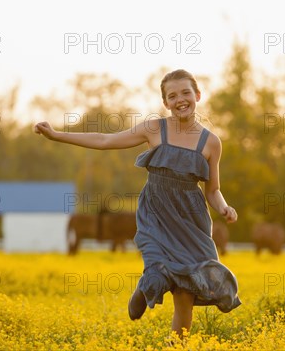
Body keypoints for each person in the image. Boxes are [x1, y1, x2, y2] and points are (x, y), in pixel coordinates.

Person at [34, 69, 241, 337]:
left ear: (198, 95)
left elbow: (213, 190)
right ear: (165, 102)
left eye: (186, 93)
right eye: (172, 95)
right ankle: (148, 285)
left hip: (192, 222)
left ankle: (175, 346)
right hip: (156, 214)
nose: (180, 99)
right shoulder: (154, 128)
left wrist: (224, 207)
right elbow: (105, 140)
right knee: (156, 270)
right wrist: (58, 135)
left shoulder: (212, 143)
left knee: (185, 295)